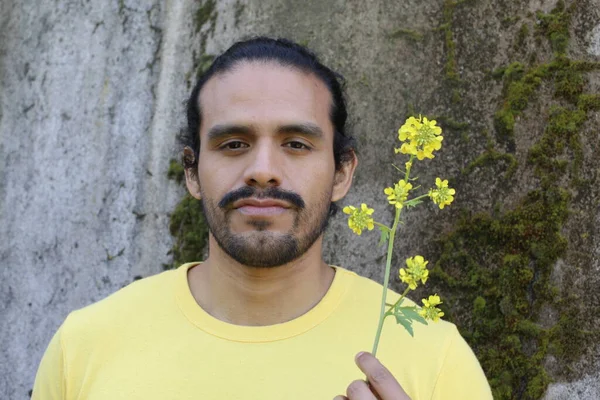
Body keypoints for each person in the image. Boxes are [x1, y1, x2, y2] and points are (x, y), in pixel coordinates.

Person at [32, 37, 492, 399]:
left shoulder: (435, 358)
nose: (263, 170)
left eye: (296, 143)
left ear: (341, 172)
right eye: (234, 144)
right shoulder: (84, 347)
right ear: (192, 172)